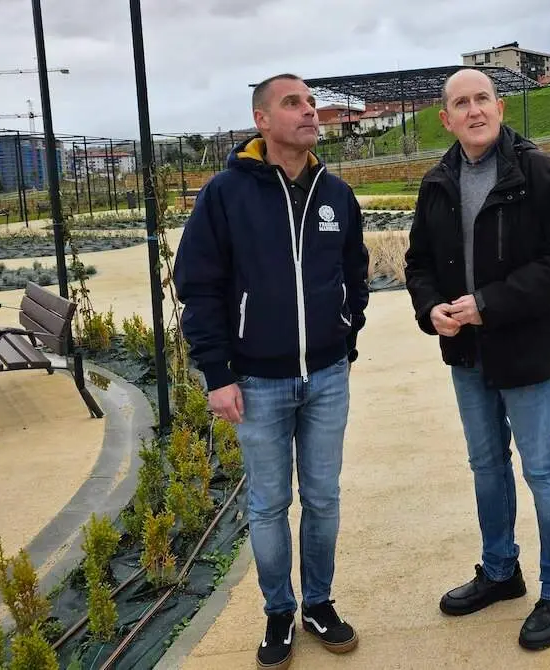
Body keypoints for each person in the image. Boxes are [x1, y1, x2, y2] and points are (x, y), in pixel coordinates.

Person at [174, 73, 369, 670]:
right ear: (262, 120)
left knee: (323, 498)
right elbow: (199, 286)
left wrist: (345, 327)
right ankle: (279, 611)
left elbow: (356, 273)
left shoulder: (335, 193)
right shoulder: (225, 194)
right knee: (266, 504)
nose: (310, 112)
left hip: (328, 377)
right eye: (294, 103)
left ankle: (319, 604)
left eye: (311, 103)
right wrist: (217, 373)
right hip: (256, 381)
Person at [403, 68, 550, 651]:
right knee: (486, 466)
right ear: (446, 118)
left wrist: (489, 304)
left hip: (529, 350)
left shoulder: (538, 172)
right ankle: (501, 571)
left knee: (542, 469)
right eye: (461, 103)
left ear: (500, 107)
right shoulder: (437, 182)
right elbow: (419, 264)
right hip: (466, 352)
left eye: (483, 98)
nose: (474, 110)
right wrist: (431, 306)